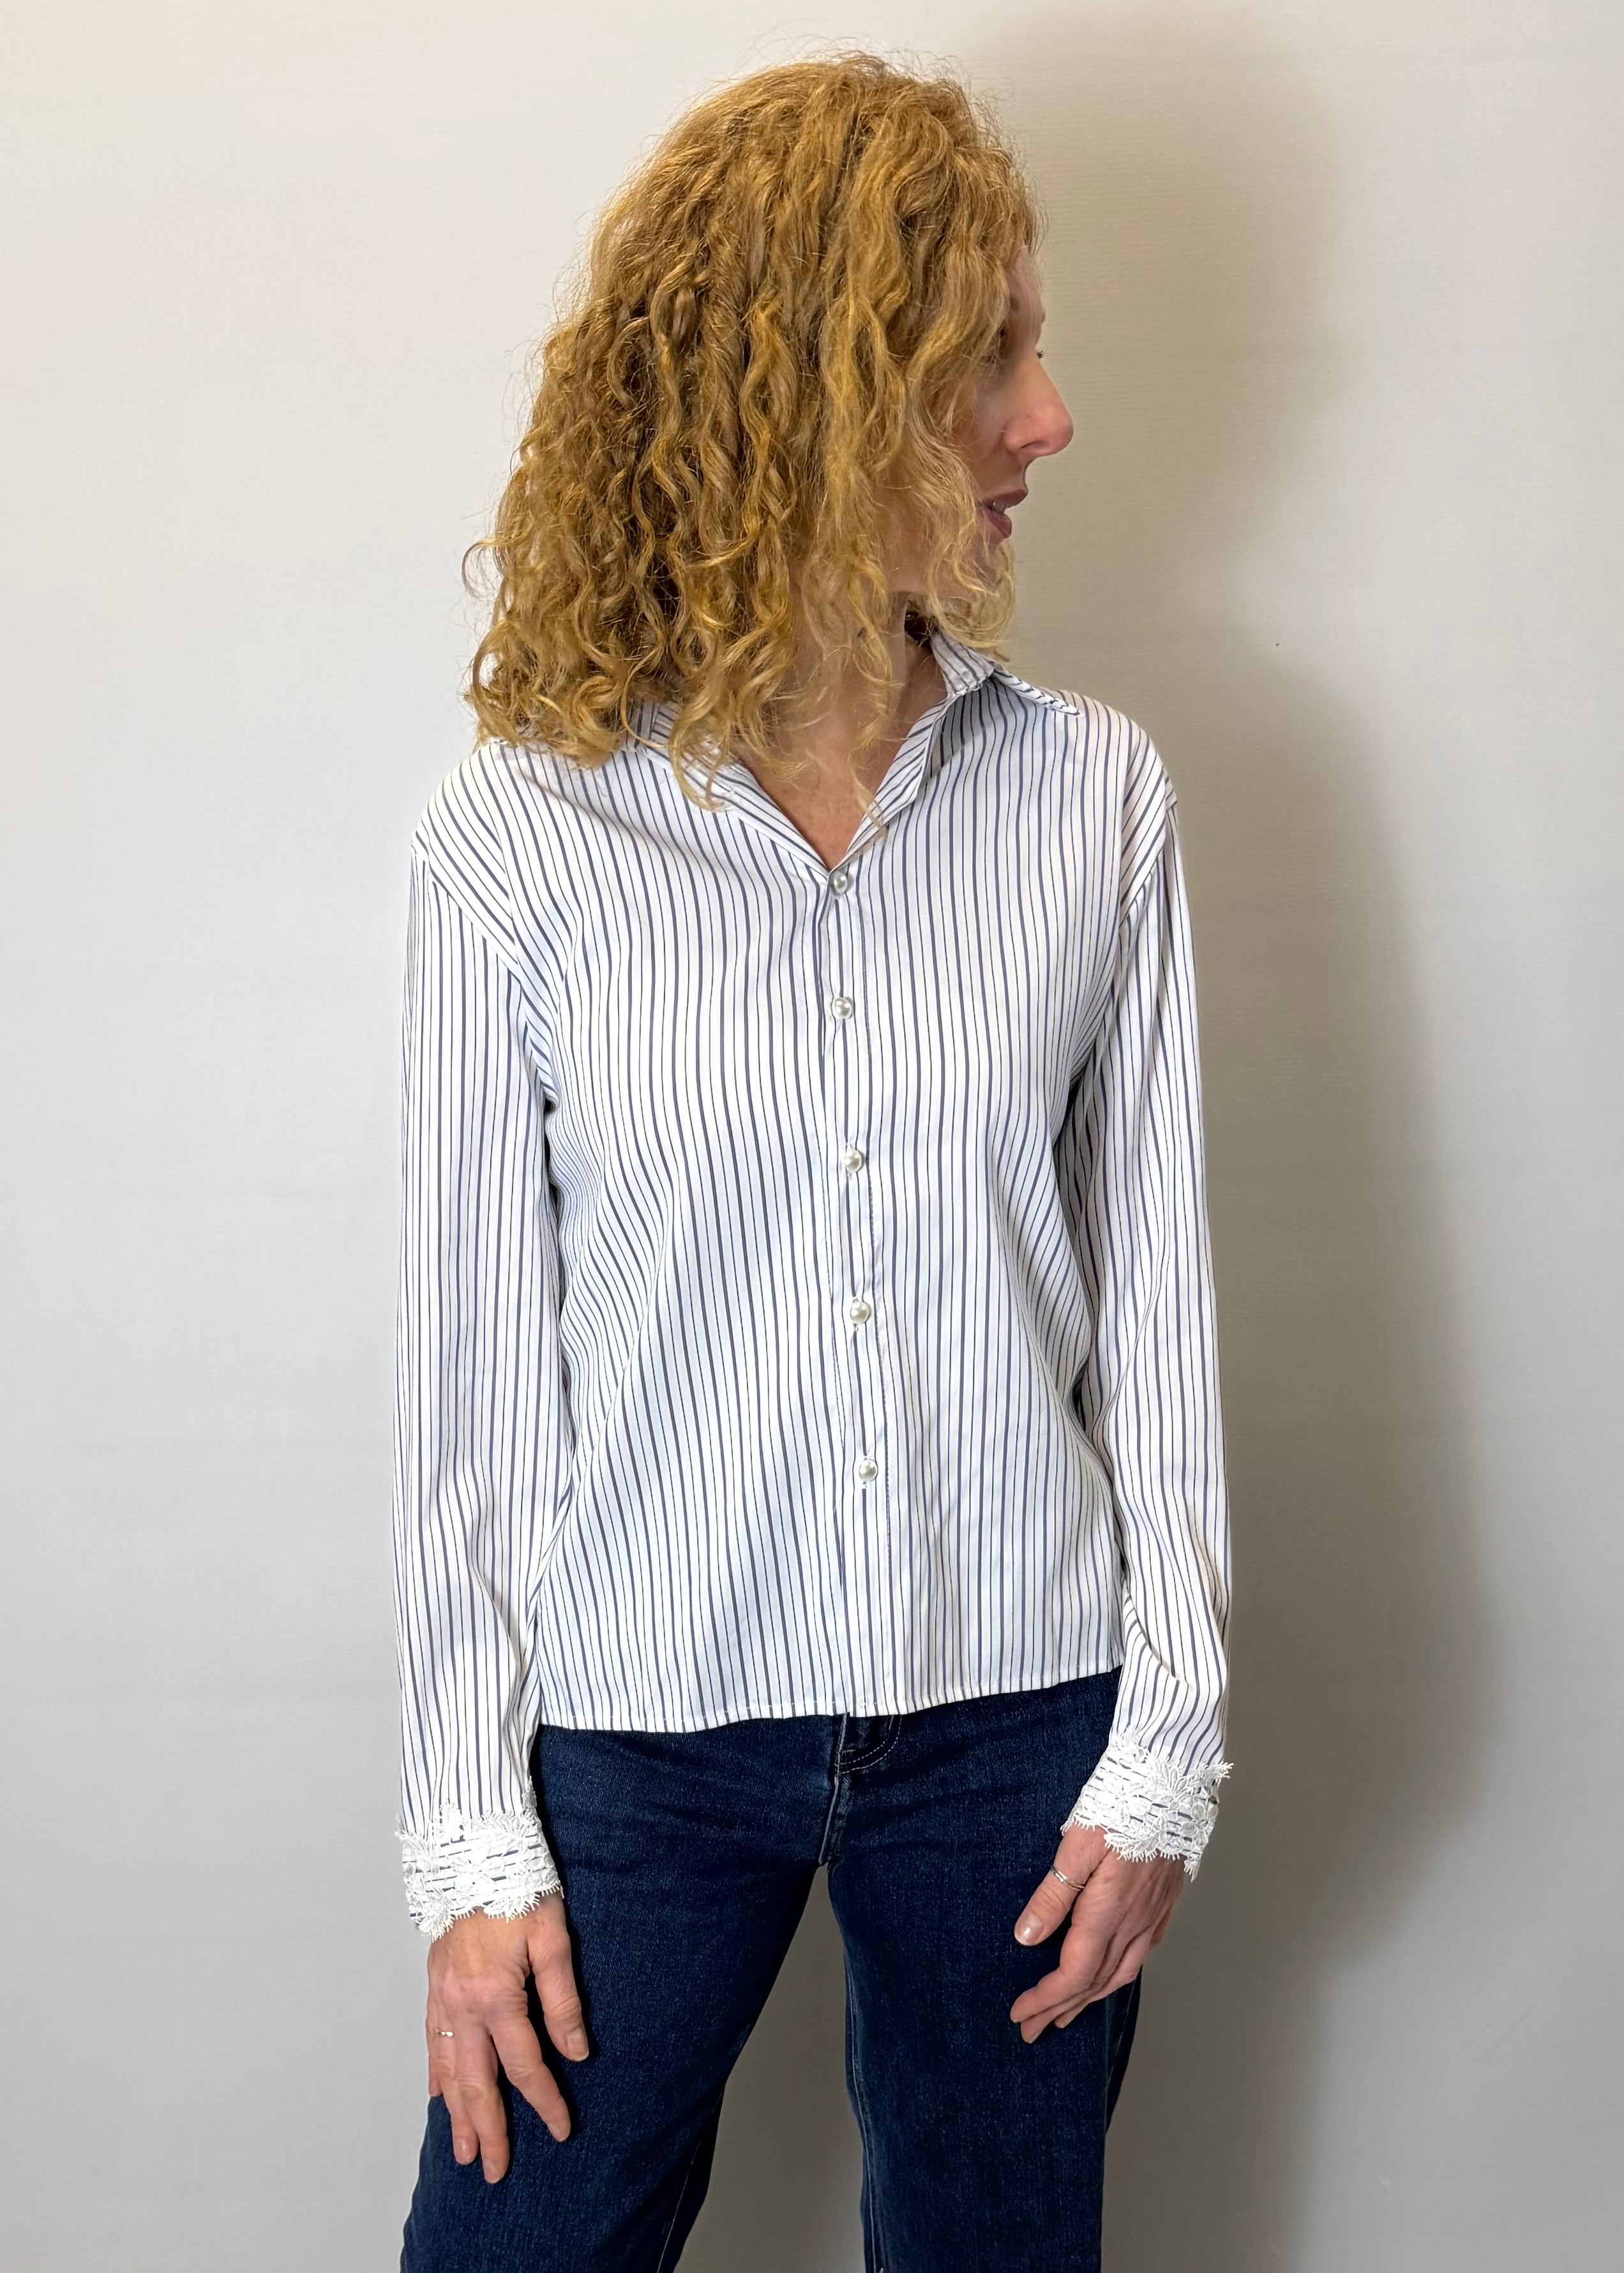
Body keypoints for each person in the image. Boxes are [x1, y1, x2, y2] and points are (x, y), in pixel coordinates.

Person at [392, 50, 1231, 2273]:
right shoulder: (518, 844)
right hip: (642, 1737)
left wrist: (1163, 1756)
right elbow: (472, 1392)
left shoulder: (1098, 806)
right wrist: (478, 1850)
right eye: (985, 365)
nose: (1049, 420)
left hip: (1016, 1731)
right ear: (807, 399)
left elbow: (1161, 1319)